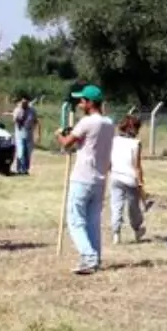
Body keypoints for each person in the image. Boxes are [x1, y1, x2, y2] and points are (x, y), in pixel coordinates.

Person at [55, 85, 115, 275]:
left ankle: (88, 258)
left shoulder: (87, 122)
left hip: (82, 177)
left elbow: (66, 144)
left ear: (90, 103)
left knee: (75, 220)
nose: (80, 103)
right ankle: (94, 256)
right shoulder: (109, 123)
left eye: (82, 100)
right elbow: (90, 143)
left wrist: (59, 134)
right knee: (92, 221)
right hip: (99, 178)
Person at [109, 114, 147, 244]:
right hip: (130, 179)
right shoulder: (136, 143)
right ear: (134, 129)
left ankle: (116, 233)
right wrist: (141, 182)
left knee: (116, 206)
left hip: (115, 177)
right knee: (133, 207)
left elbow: (110, 160)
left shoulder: (114, 140)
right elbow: (137, 166)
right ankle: (137, 229)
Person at [11, 96, 41, 175]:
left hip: (29, 133)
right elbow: (15, 121)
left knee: (27, 152)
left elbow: (36, 121)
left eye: (26, 102)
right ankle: (20, 169)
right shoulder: (17, 110)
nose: (24, 103)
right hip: (20, 133)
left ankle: (25, 169)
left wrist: (37, 133)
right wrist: (20, 114)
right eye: (23, 102)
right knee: (21, 151)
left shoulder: (32, 110)